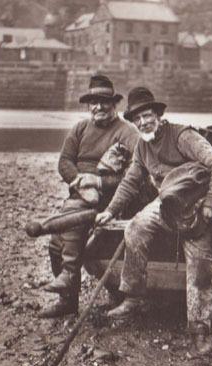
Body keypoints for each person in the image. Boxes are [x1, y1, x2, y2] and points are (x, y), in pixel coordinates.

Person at [95, 87, 212, 355]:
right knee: (135, 228)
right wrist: (110, 211)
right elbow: (131, 181)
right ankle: (134, 294)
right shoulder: (142, 147)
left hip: (197, 205)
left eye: (147, 115)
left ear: (157, 114)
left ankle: (199, 329)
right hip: (165, 205)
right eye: (137, 119)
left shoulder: (183, 136)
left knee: (200, 264)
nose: (143, 122)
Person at [39, 75, 139, 318]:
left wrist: (100, 183)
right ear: (88, 105)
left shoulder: (127, 132)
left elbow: (136, 173)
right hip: (79, 195)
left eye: (104, 102)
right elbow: (64, 162)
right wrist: (80, 181)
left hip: (110, 201)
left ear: (114, 104)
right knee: (55, 244)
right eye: (93, 102)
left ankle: (123, 293)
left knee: (76, 228)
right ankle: (67, 300)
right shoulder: (80, 129)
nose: (99, 107)